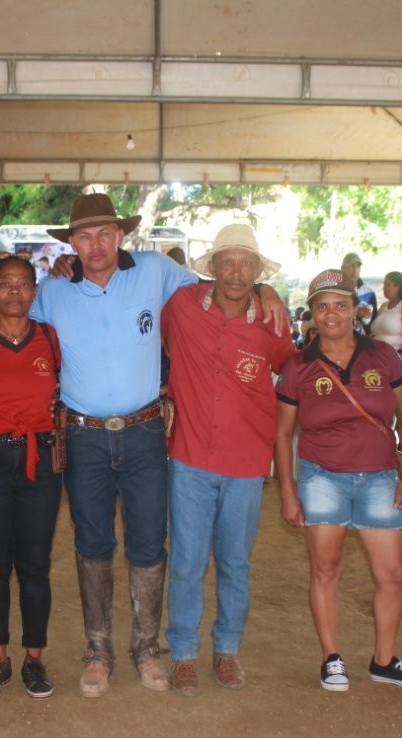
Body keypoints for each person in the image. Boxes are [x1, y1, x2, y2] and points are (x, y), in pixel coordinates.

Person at [0, 193, 287, 699]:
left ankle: (147, 648)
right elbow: (9, 308)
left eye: (104, 234)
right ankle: (98, 651)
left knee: (149, 543)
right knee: (92, 543)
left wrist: (265, 288)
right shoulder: (53, 290)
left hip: (144, 432)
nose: (96, 245)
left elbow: (222, 283)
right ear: (72, 243)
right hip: (82, 436)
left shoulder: (156, 271)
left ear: (120, 235)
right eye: (85, 237)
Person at [275, 269, 402, 694]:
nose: (332, 314)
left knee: (393, 573)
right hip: (321, 477)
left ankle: (385, 660)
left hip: (380, 477)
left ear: (356, 309)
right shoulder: (298, 366)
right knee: (326, 568)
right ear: (312, 312)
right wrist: (287, 491)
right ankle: (331, 656)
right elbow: (283, 433)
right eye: (323, 306)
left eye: (341, 305)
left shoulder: (383, 356)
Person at [163, 225, 296, 696]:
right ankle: (183, 653)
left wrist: (271, 296)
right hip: (190, 457)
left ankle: (227, 650)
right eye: (228, 263)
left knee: (235, 563)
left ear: (258, 271)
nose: (236, 273)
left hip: (246, 461)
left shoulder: (273, 324)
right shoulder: (181, 306)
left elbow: (293, 376)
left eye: (246, 264)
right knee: (186, 561)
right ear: (213, 268)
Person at [0, 256, 63, 700]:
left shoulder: (49, 338)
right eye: (5, 284)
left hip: (40, 459)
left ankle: (34, 659)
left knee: (35, 564)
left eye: (24, 284)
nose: (15, 292)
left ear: (35, 292)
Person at [370, 271, 402, 354]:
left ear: (398, 287)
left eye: (387, 285)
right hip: (375, 353)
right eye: (384, 285)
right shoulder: (384, 306)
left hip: (395, 354)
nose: (384, 288)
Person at [342, 252, 376, 332]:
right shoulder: (334, 290)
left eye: (358, 266)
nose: (355, 270)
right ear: (342, 268)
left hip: (361, 336)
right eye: (352, 266)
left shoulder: (369, 292)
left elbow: (373, 320)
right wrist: (355, 313)